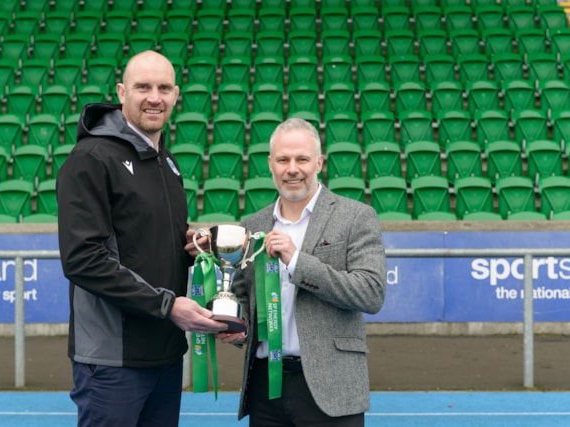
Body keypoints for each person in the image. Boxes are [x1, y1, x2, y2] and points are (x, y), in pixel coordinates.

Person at [56, 50, 227, 427]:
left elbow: (146, 241)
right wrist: (167, 306)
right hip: (112, 359)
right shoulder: (91, 158)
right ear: (121, 91)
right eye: (143, 87)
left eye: (164, 88)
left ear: (176, 95)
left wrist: (193, 244)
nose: (155, 97)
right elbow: (83, 259)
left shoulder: (168, 161)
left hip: (164, 352)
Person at [219, 118, 387, 426]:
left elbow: (371, 292)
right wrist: (237, 327)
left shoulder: (356, 217)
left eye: (302, 159)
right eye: (283, 159)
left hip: (331, 387)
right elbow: (246, 299)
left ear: (319, 162)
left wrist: (297, 262)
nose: (292, 168)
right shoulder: (253, 225)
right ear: (271, 164)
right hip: (266, 386)